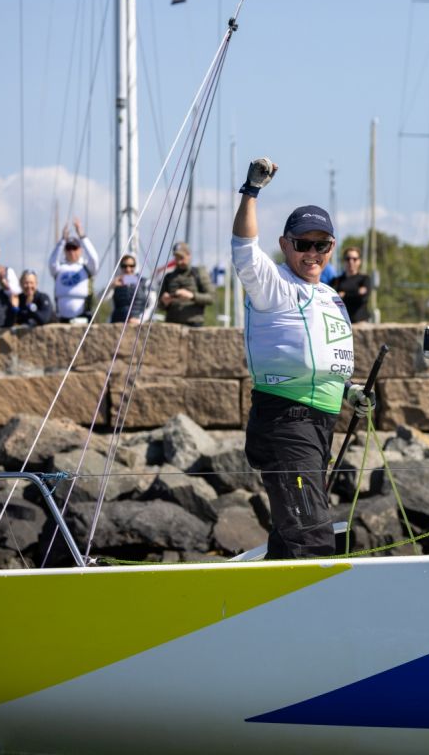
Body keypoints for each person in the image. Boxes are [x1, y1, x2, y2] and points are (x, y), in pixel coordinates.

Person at [232, 157, 375, 559]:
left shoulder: (330, 295)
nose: (313, 253)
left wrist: (350, 392)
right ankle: (316, 614)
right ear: (285, 244)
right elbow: (243, 249)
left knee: (293, 533)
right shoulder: (274, 284)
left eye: (322, 245)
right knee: (312, 536)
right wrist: (252, 191)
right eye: (303, 244)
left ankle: (272, 611)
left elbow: (324, 356)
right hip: (285, 421)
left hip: (320, 424)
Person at [49, 218, 100, 323]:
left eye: (74, 248)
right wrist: (62, 240)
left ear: (80, 250)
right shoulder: (59, 268)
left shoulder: (86, 267)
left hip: (83, 316)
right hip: (62, 318)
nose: (71, 251)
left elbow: (94, 259)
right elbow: (52, 262)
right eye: (68, 248)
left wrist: (82, 237)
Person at [159, 242, 213, 326]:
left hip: (193, 324)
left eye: (181, 258)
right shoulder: (168, 277)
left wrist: (192, 296)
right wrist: (164, 301)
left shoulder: (198, 273)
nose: (179, 262)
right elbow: (160, 306)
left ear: (189, 255)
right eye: (176, 258)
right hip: (172, 324)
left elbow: (211, 298)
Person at [331, 246, 371, 323]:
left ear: (359, 261)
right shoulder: (336, 281)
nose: (351, 262)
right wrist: (357, 292)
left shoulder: (364, 279)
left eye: (354, 259)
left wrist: (344, 295)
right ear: (344, 261)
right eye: (348, 259)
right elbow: (332, 300)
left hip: (360, 323)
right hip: (341, 322)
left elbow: (363, 298)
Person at [110, 254, 148, 325]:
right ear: (121, 267)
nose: (128, 269)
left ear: (135, 266)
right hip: (119, 322)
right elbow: (101, 299)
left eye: (131, 266)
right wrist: (111, 287)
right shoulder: (115, 283)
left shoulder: (145, 282)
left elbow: (152, 304)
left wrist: (140, 320)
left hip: (138, 323)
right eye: (124, 266)